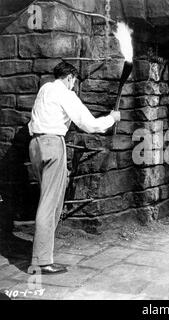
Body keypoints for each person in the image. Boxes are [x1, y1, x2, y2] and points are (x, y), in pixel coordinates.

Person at [27, 62, 121, 274]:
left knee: (47, 199)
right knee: (50, 204)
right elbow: (89, 124)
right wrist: (111, 119)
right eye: (74, 81)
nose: (74, 85)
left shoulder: (45, 89)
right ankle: (42, 262)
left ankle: (42, 255)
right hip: (52, 144)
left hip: (35, 145)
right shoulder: (66, 94)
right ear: (70, 78)